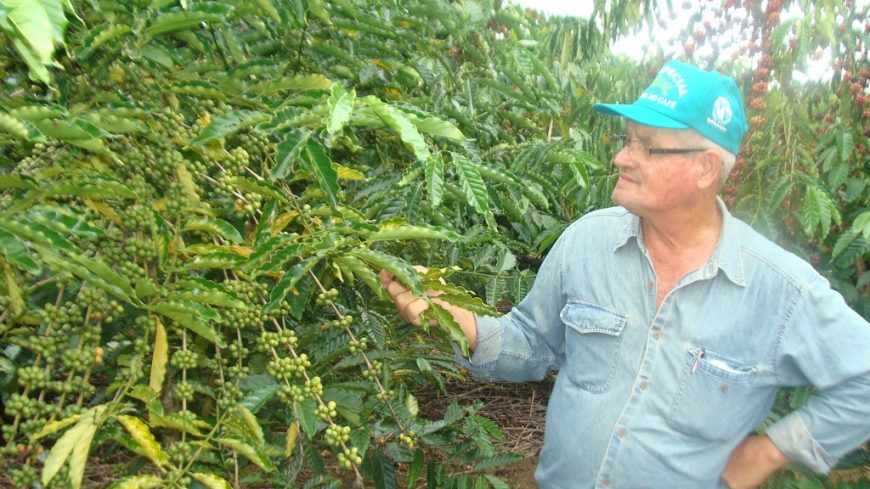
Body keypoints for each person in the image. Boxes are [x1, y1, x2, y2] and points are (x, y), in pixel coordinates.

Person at [379, 60, 870, 489]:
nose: (620, 157)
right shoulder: (588, 241)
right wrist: (459, 322)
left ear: (703, 169)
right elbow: (532, 342)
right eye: (626, 140)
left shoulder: (778, 289)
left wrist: (771, 451)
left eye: (647, 147)